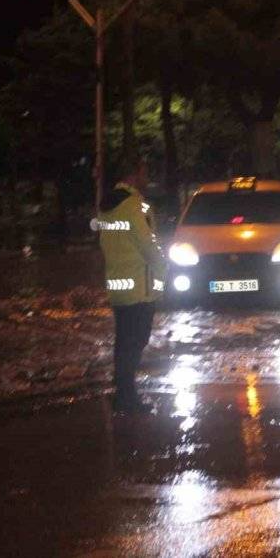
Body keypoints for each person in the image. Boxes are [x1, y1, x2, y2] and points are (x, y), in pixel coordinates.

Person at [94, 154, 166, 413]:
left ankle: (123, 390)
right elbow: (149, 244)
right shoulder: (134, 205)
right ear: (133, 175)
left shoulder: (106, 206)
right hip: (139, 287)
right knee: (135, 341)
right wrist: (163, 271)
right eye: (144, 172)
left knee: (124, 341)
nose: (147, 177)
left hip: (119, 285)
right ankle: (127, 397)